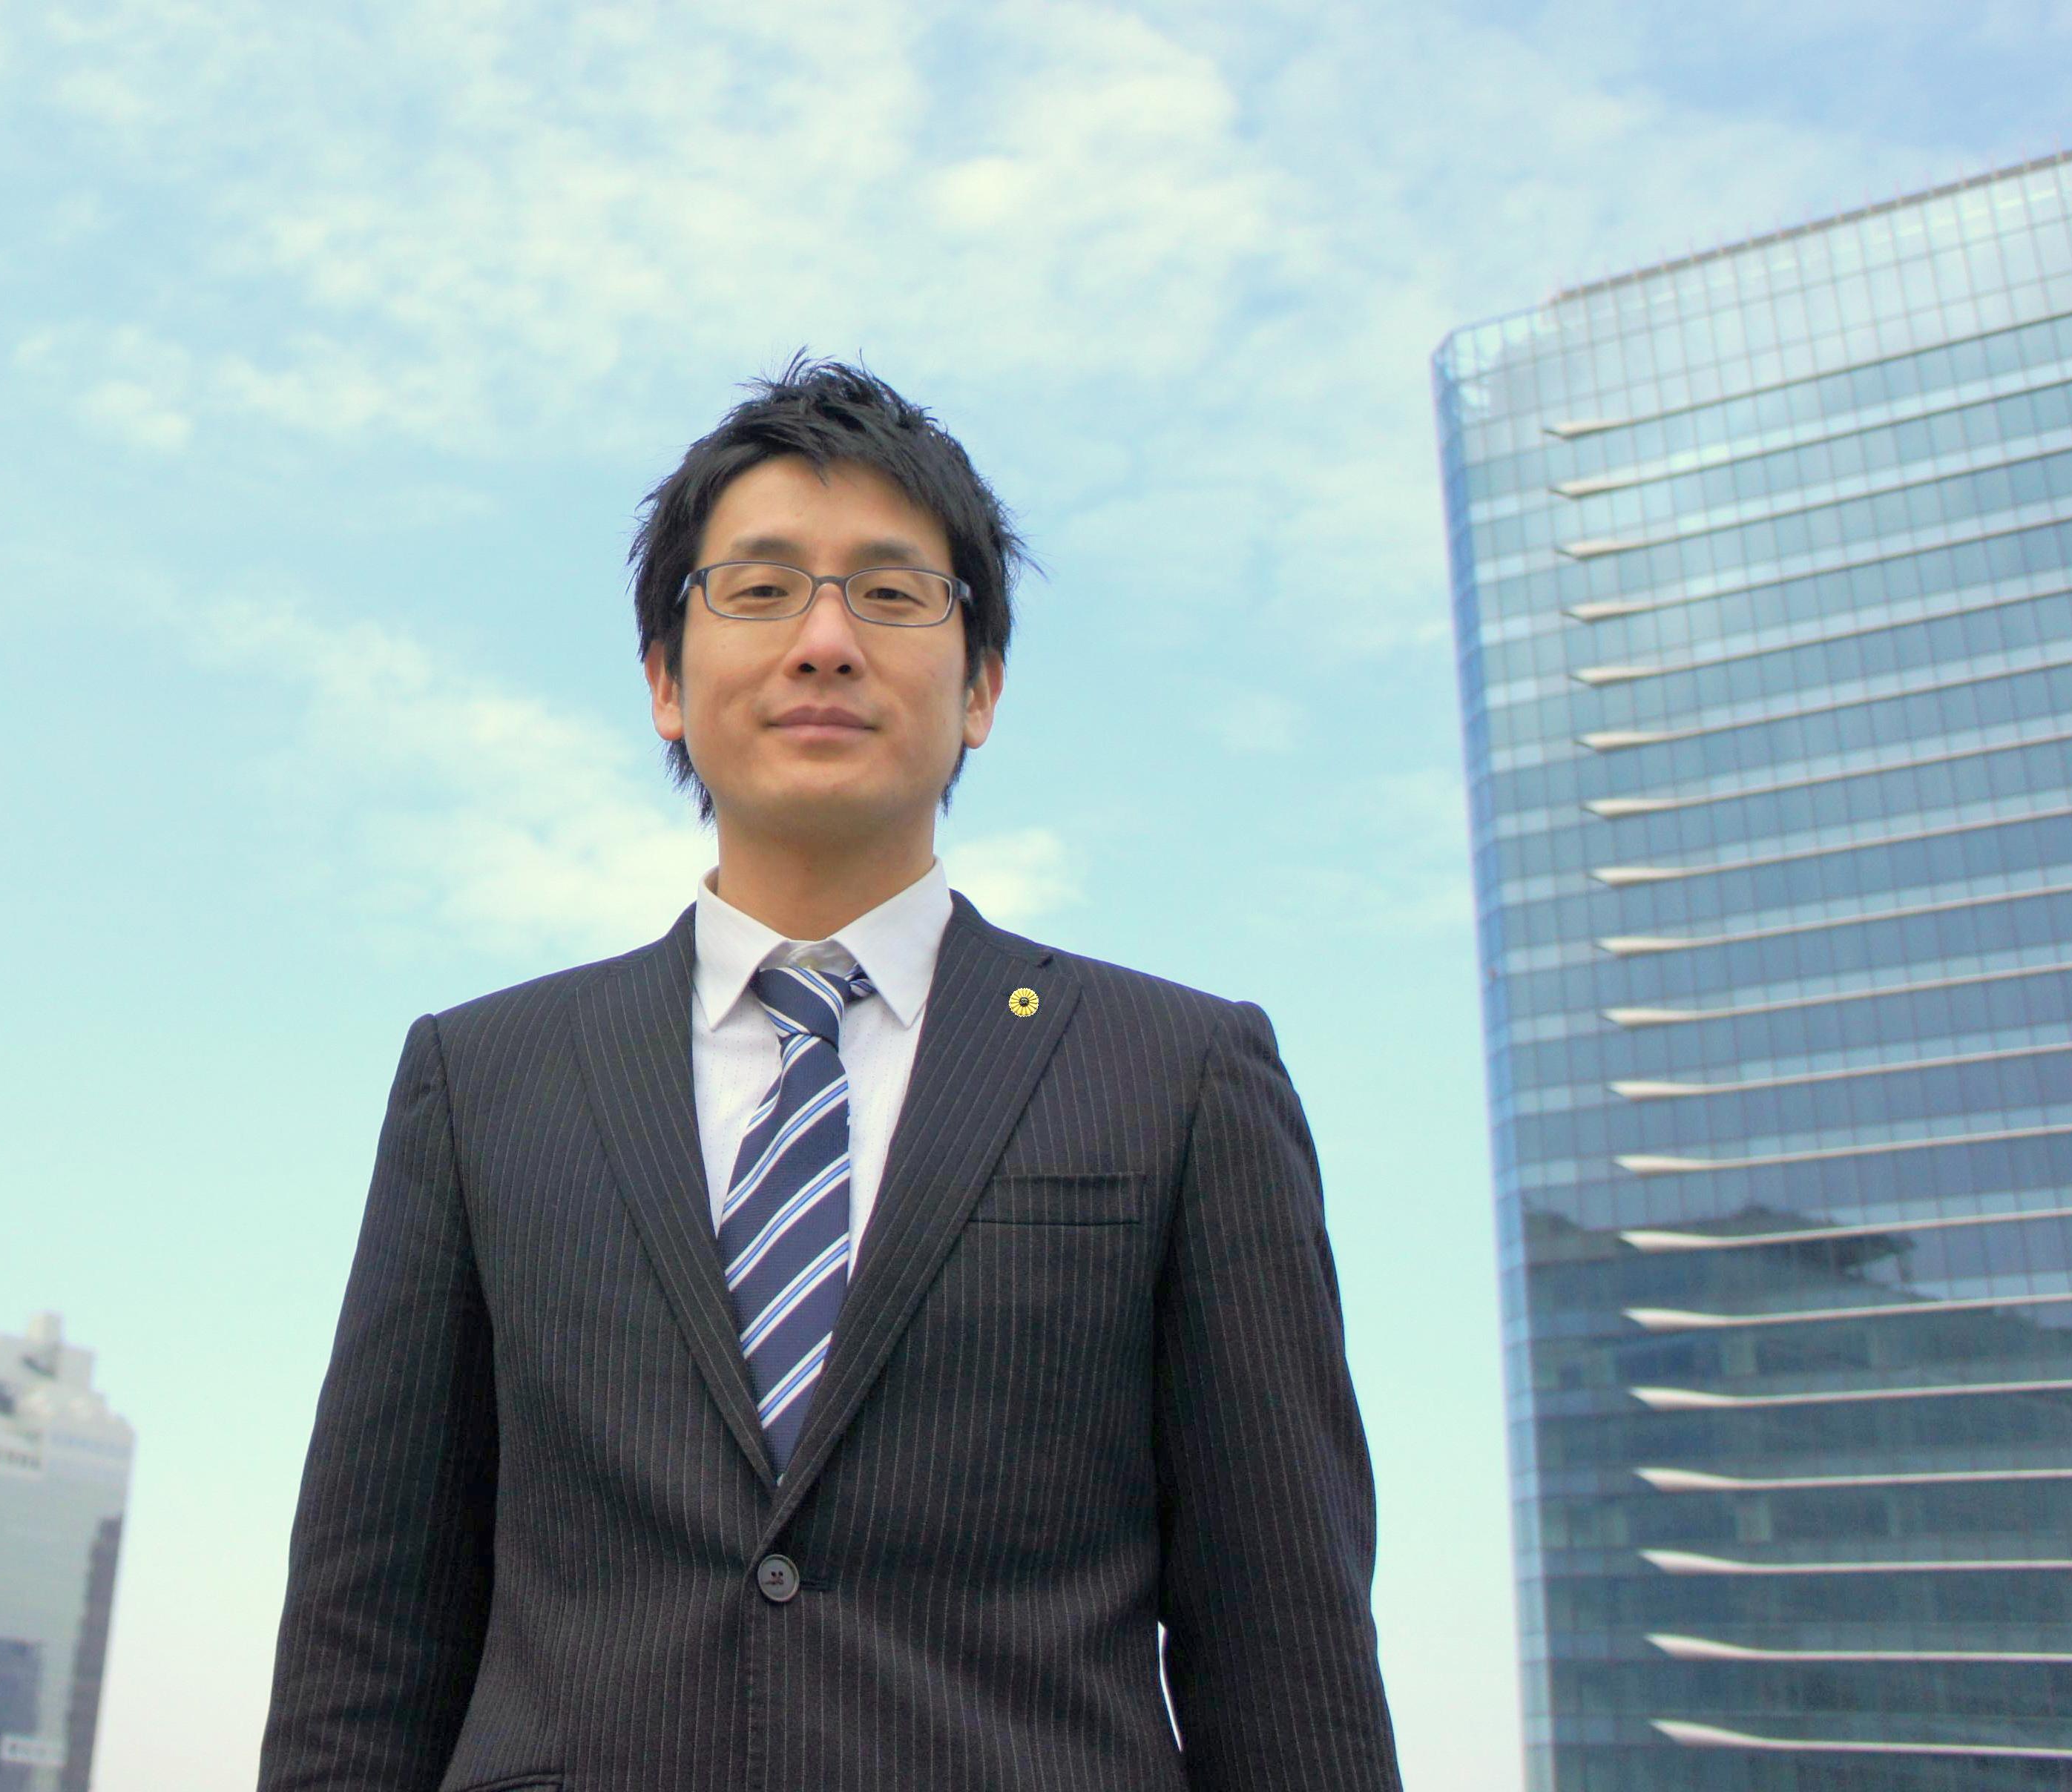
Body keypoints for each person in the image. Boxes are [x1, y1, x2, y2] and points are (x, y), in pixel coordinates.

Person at [258, 360, 1402, 1792]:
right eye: (757, 589)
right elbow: (366, 1640)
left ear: (980, 688)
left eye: (890, 592)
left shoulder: (1180, 1076)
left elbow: (1288, 1652)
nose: (823, 642)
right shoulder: (481, 1081)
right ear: (665, 682)